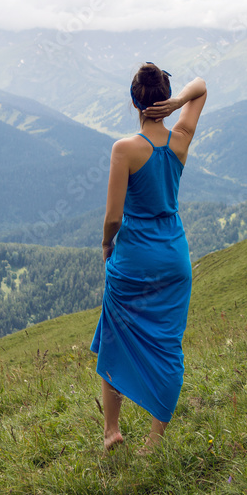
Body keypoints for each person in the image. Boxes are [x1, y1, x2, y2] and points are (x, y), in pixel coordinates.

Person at [90, 62, 207, 452]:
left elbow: (113, 217)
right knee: (167, 344)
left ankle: (112, 430)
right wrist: (177, 104)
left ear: (134, 103)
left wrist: (107, 245)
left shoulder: (124, 150)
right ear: (163, 100)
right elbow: (201, 86)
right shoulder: (180, 139)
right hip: (174, 258)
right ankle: (155, 441)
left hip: (135, 260)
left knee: (115, 337)